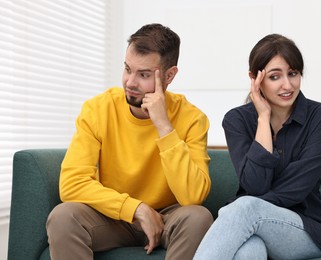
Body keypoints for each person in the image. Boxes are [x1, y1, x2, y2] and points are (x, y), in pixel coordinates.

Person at [46, 23, 213, 260]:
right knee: (63, 217)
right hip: (112, 218)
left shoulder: (193, 119)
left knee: (199, 217)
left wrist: (164, 127)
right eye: (127, 69)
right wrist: (134, 209)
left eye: (144, 74)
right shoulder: (98, 109)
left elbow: (192, 197)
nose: (130, 82)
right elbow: (72, 183)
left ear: (169, 75)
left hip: (168, 218)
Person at [194, 34, 321, 260]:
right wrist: (263, 118)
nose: (287, 85)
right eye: (275, 76)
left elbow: (297, 188)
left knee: (245, 207)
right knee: (249, 251)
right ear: (255, 78)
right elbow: (255, 184)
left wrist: (242, 209)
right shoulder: (237, 120)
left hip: (305, 230)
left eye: (293, 74)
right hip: (252, 225)